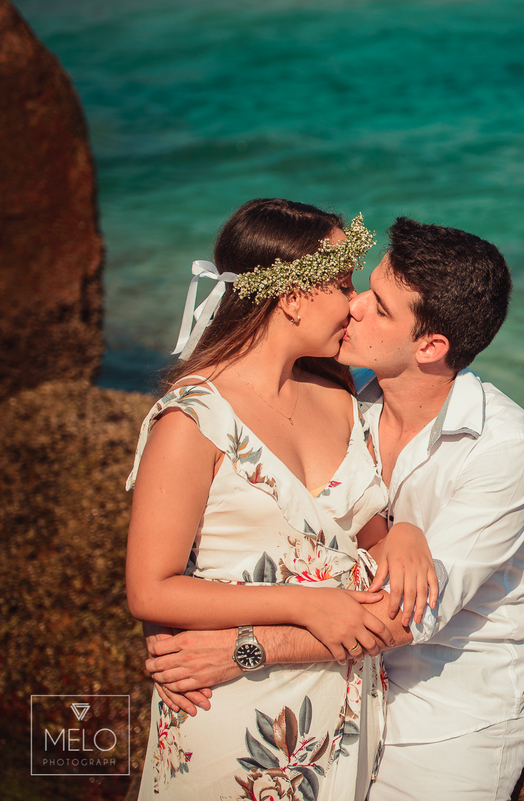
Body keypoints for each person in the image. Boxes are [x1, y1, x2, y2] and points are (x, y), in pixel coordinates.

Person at [146, 216, 524, 801]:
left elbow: (408, 617)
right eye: (360, 288)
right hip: (343, 694)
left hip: (448, 719)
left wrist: (247, 645)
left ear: (431, 346)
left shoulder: (501, 447)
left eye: (380, 307)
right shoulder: (342, 401)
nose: (354, 305)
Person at [126, 199, 433, 800]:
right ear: (291, 297)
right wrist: (307, 605)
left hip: (343, 705)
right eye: (344, 283)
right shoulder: (192, 420)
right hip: (236, 706)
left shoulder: (338, 393)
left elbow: (364, 533)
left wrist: (406, 533)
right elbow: (150, 587)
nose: (356, 304)